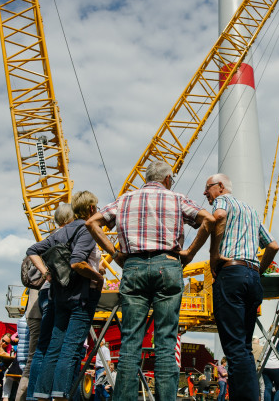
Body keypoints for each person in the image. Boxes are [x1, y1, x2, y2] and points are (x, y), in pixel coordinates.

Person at [86, 160, 215, 401]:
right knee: (166, 342)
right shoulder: (177, 198)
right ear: (167, 179)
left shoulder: (124, 199)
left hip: (133, 266)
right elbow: (208, 219)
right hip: (167, 264)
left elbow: (92, 222)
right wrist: (189, 253)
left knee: (130, 342)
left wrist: (115, 254)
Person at [203, 173, 279, 401]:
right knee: (244, 347)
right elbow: (273, 246)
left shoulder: (222, 200)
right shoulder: (251, 211)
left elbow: (219, 216)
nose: (206, 193)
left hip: (231, 274)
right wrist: (259, 269)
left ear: (220, 187)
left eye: (207, 188)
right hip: (252, 276)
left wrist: (214, 254)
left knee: (235, 348)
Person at [29, 190, 104, 401]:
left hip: (59, 296)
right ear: (90, 209)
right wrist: (98, 277)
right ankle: (61, 395)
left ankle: (42, 393)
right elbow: (77, 262)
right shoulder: (87, 229)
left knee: (54, 348)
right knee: (71, 349)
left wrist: (46, 273)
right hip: (81, 296)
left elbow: (33, 250)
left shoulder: (59, 232)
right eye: (96, 207)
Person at [23, 203, 74, 401]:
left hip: (45, 293)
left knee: (42, 348)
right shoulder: (66, 236)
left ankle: (34, 396)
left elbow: (32, 251)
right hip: (58, 292)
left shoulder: (49, 237)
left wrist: (45, 273)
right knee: (61, 348)